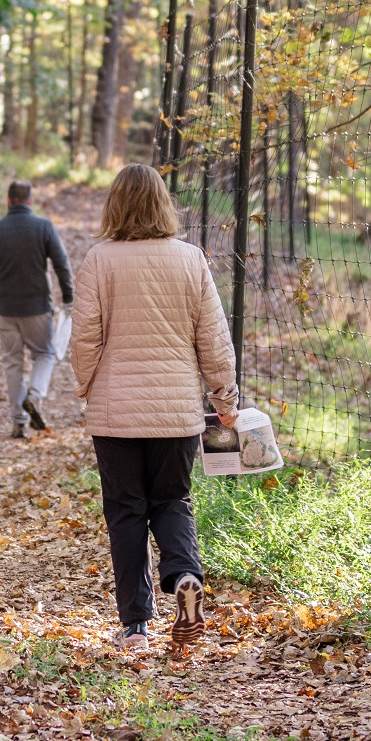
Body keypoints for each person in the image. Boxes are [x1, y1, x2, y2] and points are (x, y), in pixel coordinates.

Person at [67, 165, 234, 651]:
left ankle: (136, 625)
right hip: (177, 409)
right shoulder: (190, 259)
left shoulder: (99, 259)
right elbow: (214, 340)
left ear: (114, 206)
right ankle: (184, 574)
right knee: (172, 499)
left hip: (116, 411)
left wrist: (86, 385)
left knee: (125, 511)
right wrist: (225, 400)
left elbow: (85, 338)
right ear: (164, 205)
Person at [0, 178, 74, 437]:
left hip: (5, 308)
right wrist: (68, 298)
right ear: (30, 201)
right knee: (44, 354)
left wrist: (2, 272)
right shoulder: (44, 227)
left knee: (12, 363)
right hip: (37, 307)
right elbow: (62, 264)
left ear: (8, 201)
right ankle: (35, 396)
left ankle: (18, 422)